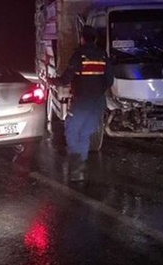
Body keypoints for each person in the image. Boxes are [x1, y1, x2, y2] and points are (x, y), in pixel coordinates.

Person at [47, 26, 114, 182]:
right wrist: (97, 91)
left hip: (81, 102)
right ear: (95, 39)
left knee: (72, 131)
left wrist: (52, 81)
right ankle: (80, 168)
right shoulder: (103, 56)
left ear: (82, 38)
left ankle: (77, 169)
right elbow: (109, 81)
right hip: (97, 103)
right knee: (84, 134)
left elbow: (65, 79)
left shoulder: (79, 55)